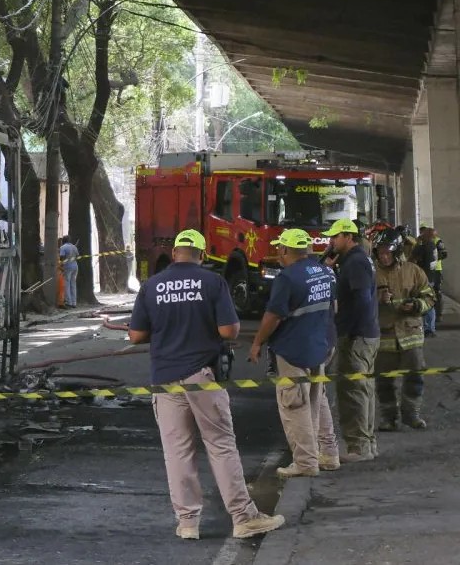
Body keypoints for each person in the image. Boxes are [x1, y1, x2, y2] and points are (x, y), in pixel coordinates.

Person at [128, 229, 284, 541]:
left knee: (178, 452)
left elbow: (135, 335)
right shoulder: (212, 282)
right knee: (220, 445)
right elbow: (229, 330)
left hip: (165, 380)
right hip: (202, 377)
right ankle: (243, 517)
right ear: (201, 255)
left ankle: (187, 523)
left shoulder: (152, 286)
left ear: (175, 253)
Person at [247, 229, 337, 478]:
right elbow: (332, 308)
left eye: (280, 249)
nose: (278, 253)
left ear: (285, 250)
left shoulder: (287, 278)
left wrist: (257, 343)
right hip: (320, 346)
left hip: (293, 349)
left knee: (295, 405)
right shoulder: (325, 272)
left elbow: (273, 316)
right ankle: (328, 454)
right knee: (316, 402)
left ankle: (306, 463)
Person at [322, 218, 381, 463]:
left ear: (348, 236)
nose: (330, 241)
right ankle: (367, 444)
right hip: (366, 334)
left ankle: (358, 448)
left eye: (334, 237)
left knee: (353, 392)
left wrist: (348, 331)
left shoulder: (355, 262)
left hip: (357, 337)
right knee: (364, 390)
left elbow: (362, 300)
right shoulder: (356, 260)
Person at [372, 228, 436, 430]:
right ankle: (388, 419)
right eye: (380, 252)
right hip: (384, 336)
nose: (384, 256)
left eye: (387, 252)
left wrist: (417, 305)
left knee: (415, 377)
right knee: (384, 383)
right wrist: (376, 299)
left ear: (397, 251)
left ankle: (411, 414)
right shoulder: (370, 273)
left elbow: (430, 297)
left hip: (411, 335)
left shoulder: (413, 271)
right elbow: (358, 302)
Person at [412, 224, 447, 337]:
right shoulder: (432, 245)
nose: (421, 234)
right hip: (431, 276)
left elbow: (413, 257)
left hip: (426, 277)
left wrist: (417, 244)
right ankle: (429, 327)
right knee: (430, 300)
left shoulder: (426, 246)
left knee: (427, 301)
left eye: (423, 233)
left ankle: (429, 328)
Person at [59, 235, 79, 308]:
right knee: (73, 284)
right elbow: (77, 256)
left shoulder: (63, 247)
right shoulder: (74, 247)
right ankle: (74, 302)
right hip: (75, 266)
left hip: (67, 267)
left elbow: (61, 257)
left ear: (63, 241)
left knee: (67, 284)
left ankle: (68, 302)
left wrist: (61, 264)